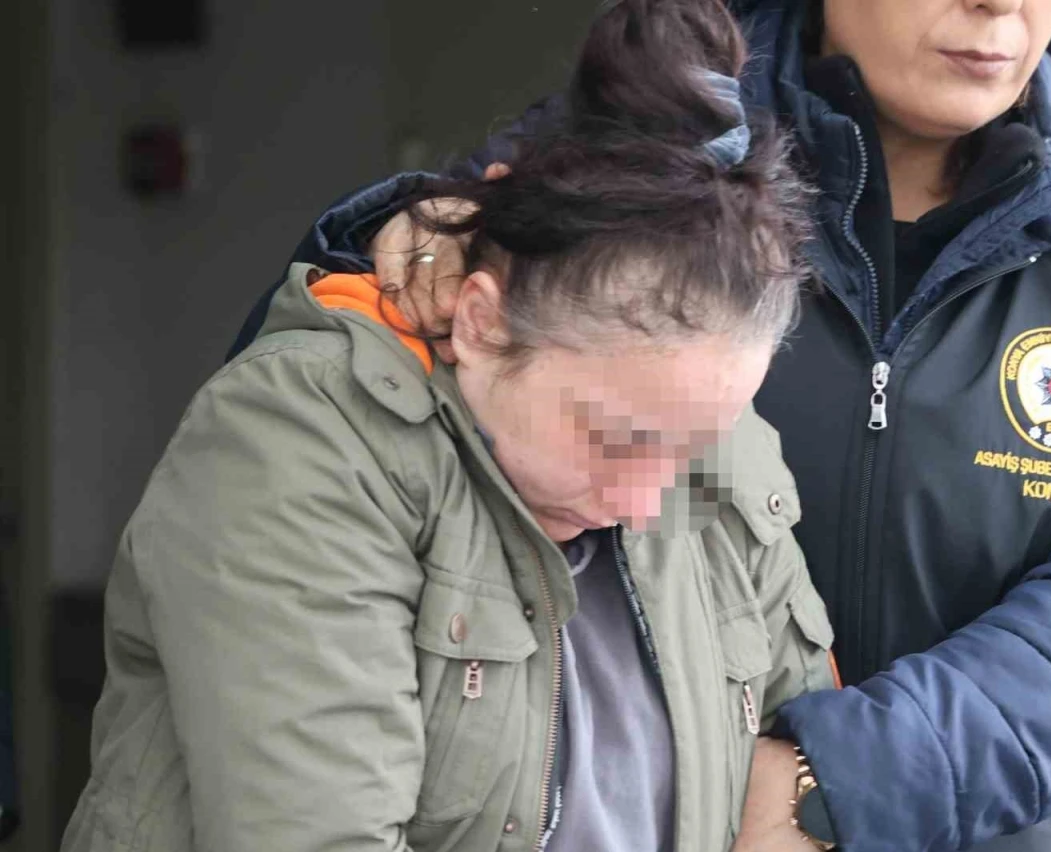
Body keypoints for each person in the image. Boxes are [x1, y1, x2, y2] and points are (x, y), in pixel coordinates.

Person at [232, 0, 1051, 849]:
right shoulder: (635, 146)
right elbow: (307, 443)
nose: (998, 3)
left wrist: (836, 779)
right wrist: (391, 236)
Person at [61, 2, 841, 850]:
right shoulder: (306, 441)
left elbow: (807, 757)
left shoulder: (714, 448)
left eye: (690, 449)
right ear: (479, 323)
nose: (647, 500)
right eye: (612, 439)